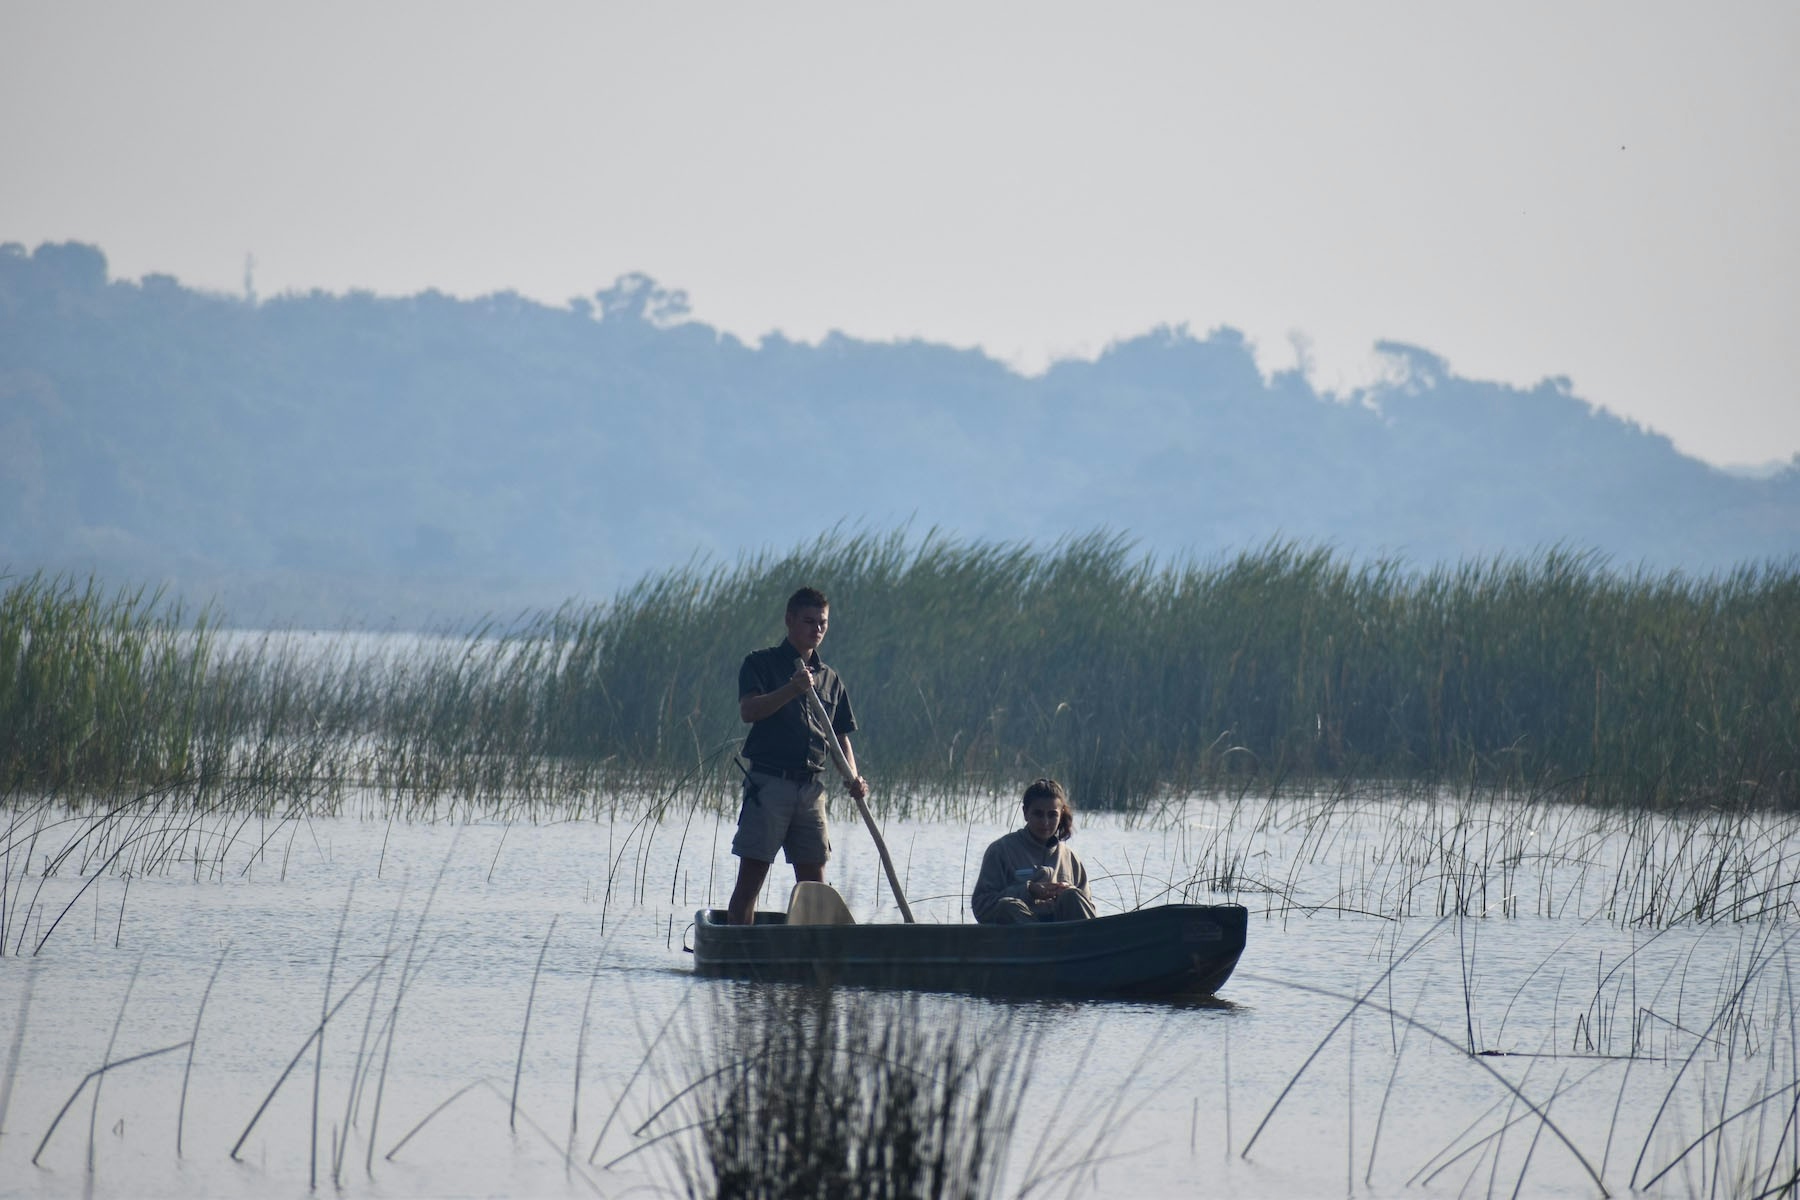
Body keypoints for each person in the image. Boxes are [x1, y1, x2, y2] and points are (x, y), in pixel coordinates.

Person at [727, 587, 869, 925]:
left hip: (810, 790)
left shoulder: (830, 679)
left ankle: (812, 957)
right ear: (790, 621)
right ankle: (737, 953)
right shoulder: (760, 663)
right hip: (769, 784)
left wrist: (854, 776)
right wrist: (792, 689)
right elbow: (749, 711)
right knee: (752, 877)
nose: (816, 629)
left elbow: (839, 738)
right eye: (809, 621)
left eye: (822, 623)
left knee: (814, 882)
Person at [971, 778, 1098, 924]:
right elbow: (981, 907)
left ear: (1061, 814)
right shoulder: (1000, 851)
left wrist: (1065, 893)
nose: (1045, 822)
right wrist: (1028, 890)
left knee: (1072, 895)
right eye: (1038, 814)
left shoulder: (1070, 858)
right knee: (1007, 906)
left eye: (1052, 815)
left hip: (1066, 937)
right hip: (1023, 937)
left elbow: (1089, 910)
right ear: (1025, 813)